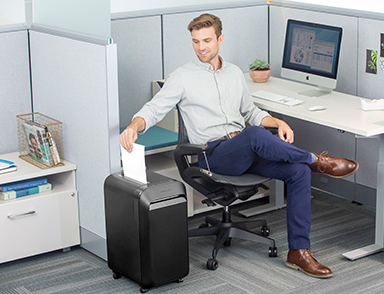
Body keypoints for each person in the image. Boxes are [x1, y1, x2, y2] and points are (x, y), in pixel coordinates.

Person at [120, 13, 358, 279]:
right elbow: (154, 109)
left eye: (207, 40)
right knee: (257, 136)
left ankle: (298, 252)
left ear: (220, 39)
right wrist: (134, 126)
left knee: (297, 172)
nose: (201, 47)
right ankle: (317, 160)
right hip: (214, 154)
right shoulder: (181, 77)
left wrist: (277, 121)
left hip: (244, 149)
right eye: (196, 41)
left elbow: (251, 112)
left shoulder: (234, 73)